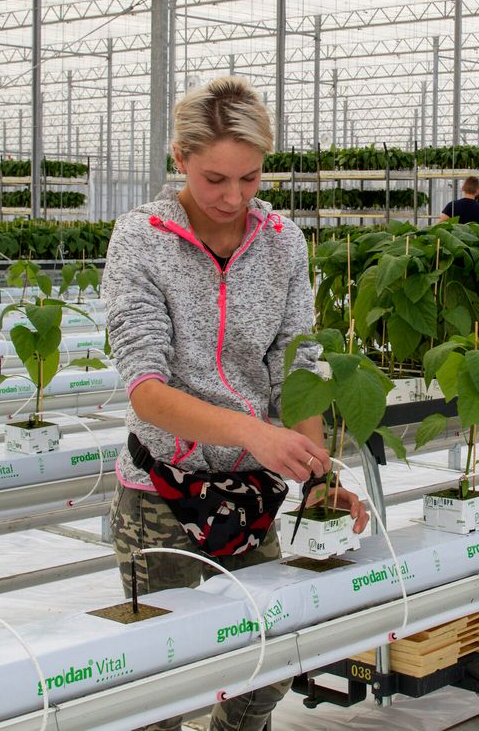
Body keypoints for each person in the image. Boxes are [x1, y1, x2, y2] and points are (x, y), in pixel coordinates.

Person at [101, 76, 369, 731]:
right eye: (215, 178)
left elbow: (294, 368)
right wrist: (254, 432)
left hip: (248, 494)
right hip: (159, 494)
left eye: (249, 178)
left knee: (270, 657)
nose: (234, 197)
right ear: (180, 158)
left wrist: (320, 477)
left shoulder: (282, 242)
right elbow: (147, 388)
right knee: (156, 681)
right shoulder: (141, 241)